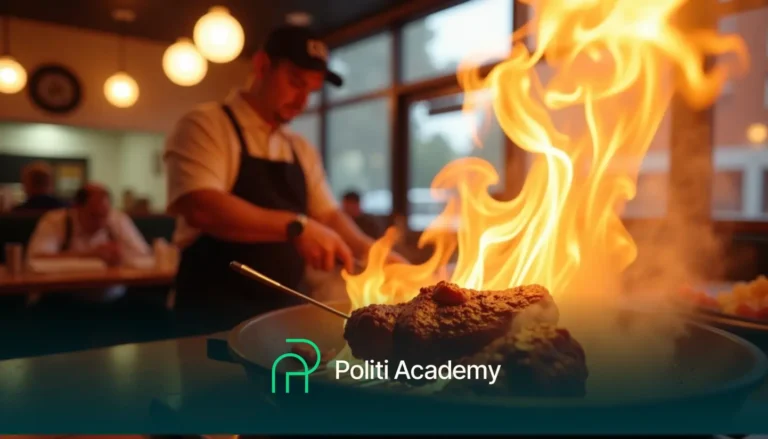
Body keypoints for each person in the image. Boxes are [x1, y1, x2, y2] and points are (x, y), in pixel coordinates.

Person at [164, 25, 406, 335]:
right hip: (209, 315)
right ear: (263, 65)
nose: (303, 100)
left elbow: (330, 215)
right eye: (295, 83)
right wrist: (297, 227)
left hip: (282, 315)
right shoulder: (207, 125)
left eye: (312, 90)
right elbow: (203, 206)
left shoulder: (299, 148)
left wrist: (377, 257)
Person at [27, 183, 152, 301]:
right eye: (94, 215)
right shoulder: (56, 221)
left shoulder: (117, 219)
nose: (101, 222)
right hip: (65, 300)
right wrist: (91, 255)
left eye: (104, 215)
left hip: (114, 302)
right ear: (76, 208)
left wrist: (120, 255)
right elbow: (37, 259)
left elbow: (144, 254)